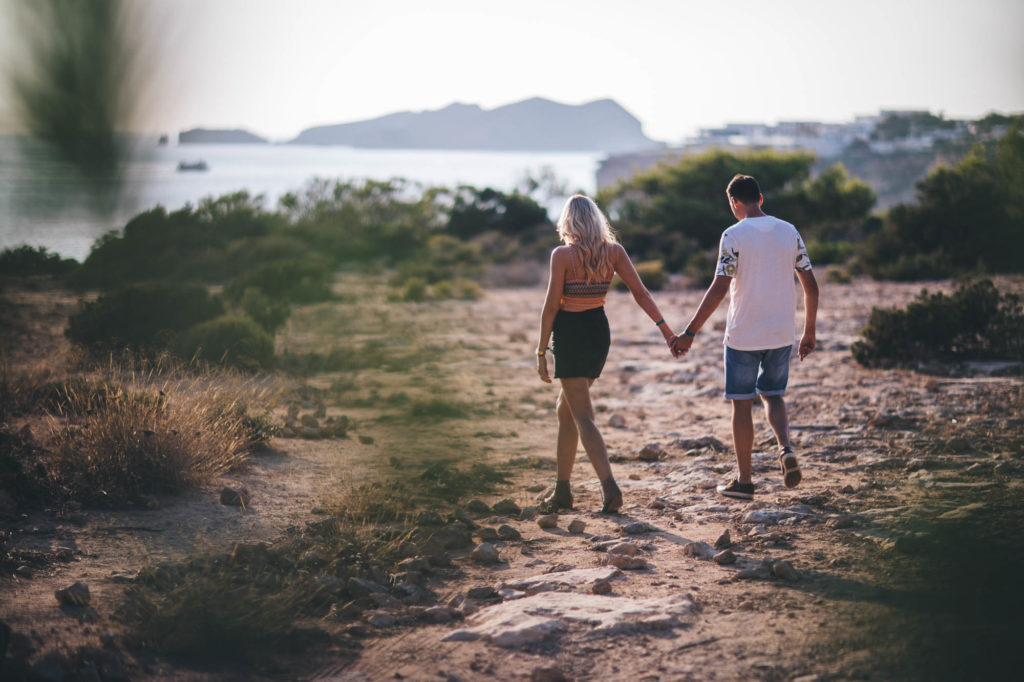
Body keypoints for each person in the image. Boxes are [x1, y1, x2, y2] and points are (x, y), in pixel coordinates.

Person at [672, 174, 819, 500]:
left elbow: (719, 288)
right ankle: (785, 448)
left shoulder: (733, 235)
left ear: (734, 202)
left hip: (743, 334)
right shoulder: (790, 231)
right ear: (761, 198)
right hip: (781, 332)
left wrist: (689, 332)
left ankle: (745, 481)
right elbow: (811, 286)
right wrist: (808, 331)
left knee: (741, 405)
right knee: (773, 395)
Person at [536, 194, 677, 513]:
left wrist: (541, 350)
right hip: (598, 332)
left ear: (568, 222)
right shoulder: (614, 252)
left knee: (582, 415)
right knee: (566, 410)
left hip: (571, 333)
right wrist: (666, 331)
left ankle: (609, 487)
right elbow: (641, 293)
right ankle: (562, 490)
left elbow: (551, 306)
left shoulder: (562, 255)